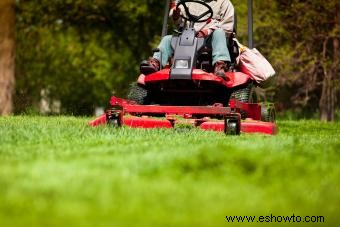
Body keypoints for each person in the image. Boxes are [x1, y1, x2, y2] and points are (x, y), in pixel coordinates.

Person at [141, 0, 235, 77]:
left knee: (219, 33)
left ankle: (219, 65)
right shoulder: (188, 1)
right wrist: (176, 16)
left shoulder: (224, 3)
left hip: (210, 40)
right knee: (167, 39)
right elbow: (179, 22)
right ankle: (155, 63)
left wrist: (208, 31)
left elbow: (227, 27)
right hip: (188, 36)